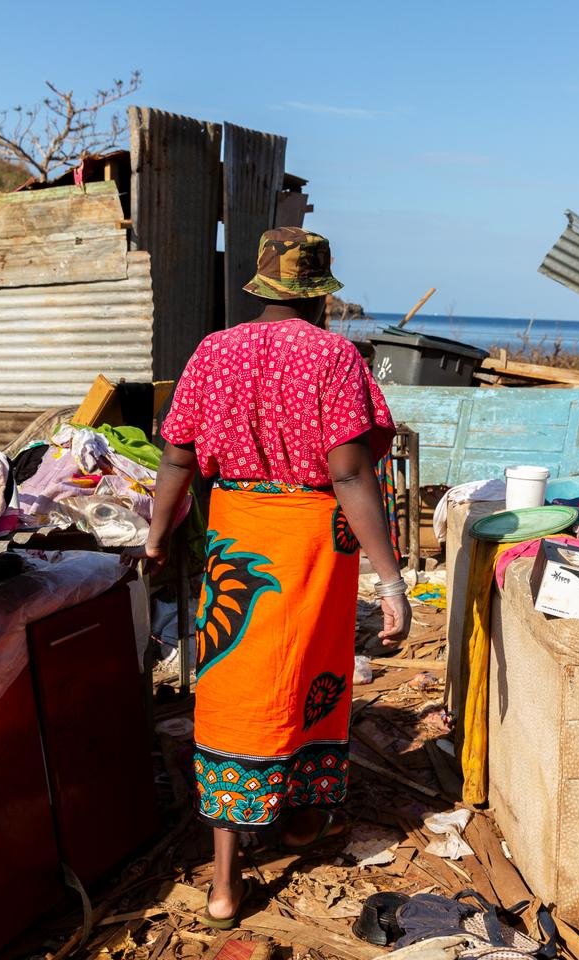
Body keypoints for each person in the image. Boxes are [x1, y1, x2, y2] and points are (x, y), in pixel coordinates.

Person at [132, 227, 411, 929]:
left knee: (234, 687)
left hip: (235, 536)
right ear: (319, 294)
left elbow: (176, 460)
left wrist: (159, 537)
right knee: (313, 674)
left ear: (259, 287)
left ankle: (224, 883)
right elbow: (349, 470)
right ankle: (297, 822)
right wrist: (391, 578)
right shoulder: (335, 356)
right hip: (313, 541)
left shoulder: (212, 351)